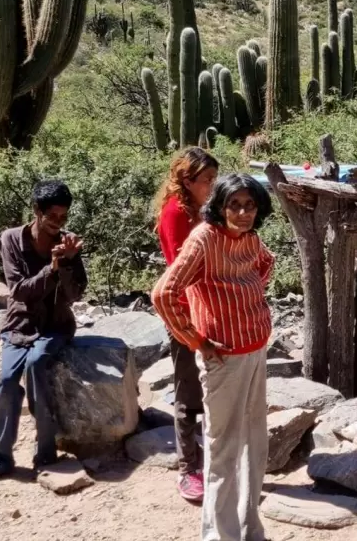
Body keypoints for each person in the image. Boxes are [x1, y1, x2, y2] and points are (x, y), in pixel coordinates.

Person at [152, 173, 274, 541]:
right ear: (220, 207)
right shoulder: (204, 238)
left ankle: (249, 528)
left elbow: (266, 264)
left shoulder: (250, 239)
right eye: (234, 205)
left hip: (255, 349)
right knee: (223, 451)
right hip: (223, 358)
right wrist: (195, 339)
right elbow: (164, 294)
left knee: (254, 443)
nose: (243, 213)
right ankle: (220, 536)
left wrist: (247, 296)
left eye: (250, 205)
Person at [0, 180, 87, 482]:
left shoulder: (67, 243)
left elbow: (75, 294)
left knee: (38, 364)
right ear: (37, 211)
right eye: (52, 216)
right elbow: (20, 291)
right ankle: (0, 456)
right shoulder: (12, 240)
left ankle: (46, 450)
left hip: (56, 325)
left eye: (63, 217)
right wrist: (51, 269)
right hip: (20, 324)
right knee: (7, 381)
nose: (58, 223)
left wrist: (68, 262)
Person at [153, 147, 220, 502]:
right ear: (187, 180)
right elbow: (184, 266)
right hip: (184, 314)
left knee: (211, 388)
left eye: (214, 179)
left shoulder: (198, 209)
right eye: (207, 179)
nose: (212, 185)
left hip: (206, 309)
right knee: (188, 391)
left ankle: (211, 459)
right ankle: (188, 467)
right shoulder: (176, 213)